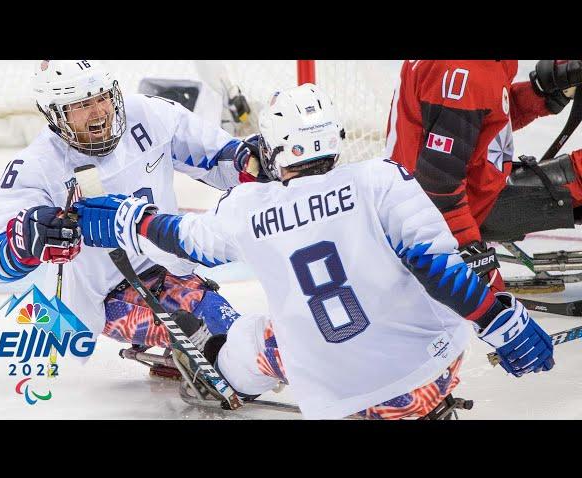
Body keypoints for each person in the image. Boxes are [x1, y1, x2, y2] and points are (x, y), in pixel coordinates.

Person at [74, 83, 555, 419]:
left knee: (251, 337)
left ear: (277, 148)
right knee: (430, 269)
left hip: (342, 397)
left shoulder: (249, 206)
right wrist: (502, 322)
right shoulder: (381, 180)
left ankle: (225, 375)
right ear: (336, 137)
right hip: (433, 378)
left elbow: (183, 238)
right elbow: (439, 270)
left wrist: (126, 218)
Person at [0, 60, 262, 355]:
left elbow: (218, 155)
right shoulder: (34, 167)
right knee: (205, 335)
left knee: (224, 327)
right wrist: (25, 243)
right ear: (54, 112)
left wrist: (248, 159)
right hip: (100, 296)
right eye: (83, 103)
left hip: (165, 267)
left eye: (103, 96)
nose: (99, 111)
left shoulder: (147, 114)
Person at [384, 60, 582, 292]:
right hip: (459, 212)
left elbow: (486, 118)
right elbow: (439, 188)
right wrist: (482, 277)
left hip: (467, 195)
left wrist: (540, 92)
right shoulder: (461, 71)